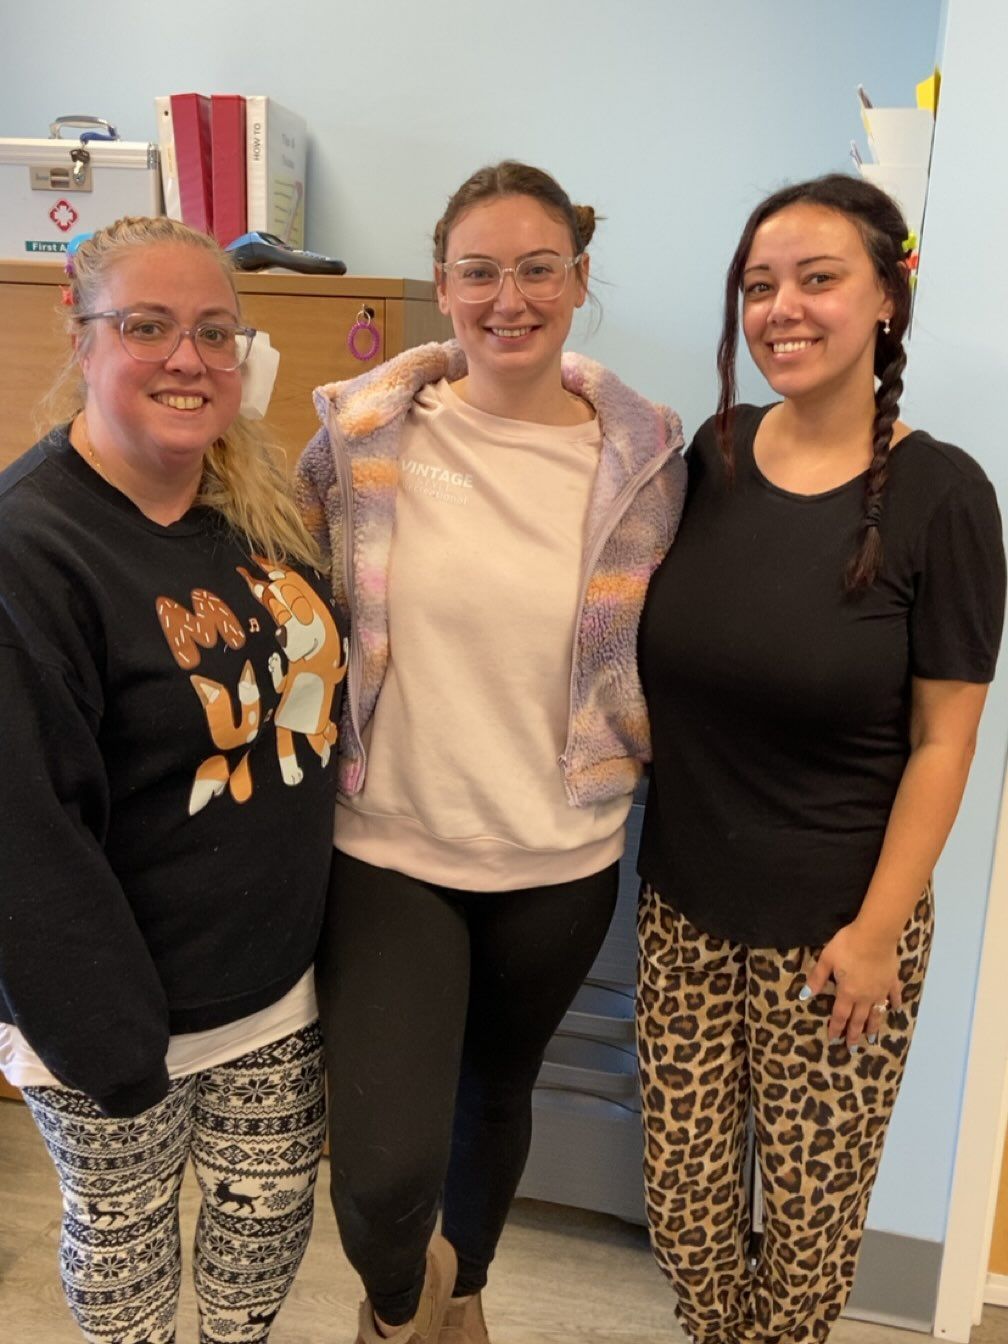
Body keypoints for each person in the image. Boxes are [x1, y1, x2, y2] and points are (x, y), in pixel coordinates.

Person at [296, 160, 686, 1344]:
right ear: (442, 281)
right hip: (390, 850)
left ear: (578, 278)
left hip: (559, 860)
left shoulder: (647, 462)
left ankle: (459, 1300)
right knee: (381, 1174)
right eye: (479, 271)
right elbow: (286, 592)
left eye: (537, 268)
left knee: (495, 1097)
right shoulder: (364, 437)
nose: (507, 298)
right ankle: (399, 1300)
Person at [636, 173, 1006, 1342]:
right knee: (685, 1218)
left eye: (818, 278)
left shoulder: (945, 496)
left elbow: (947, 737)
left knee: (805, 1240)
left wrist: (878, 932)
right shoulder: (713, 455)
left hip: (840, 933)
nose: (781, 308)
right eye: (758, 286)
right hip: (684, 908)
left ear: (888, 297)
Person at [0, 216, 348, 1344]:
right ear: (81, 334)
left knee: (258, 1257)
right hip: (111, 1016)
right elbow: (23, 834)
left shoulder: (254, 509)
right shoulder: (31, 547)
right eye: (146, 327)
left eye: (213, 332)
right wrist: (117, 1056)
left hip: (273, 994)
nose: (187, 360)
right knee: (128, 1260)